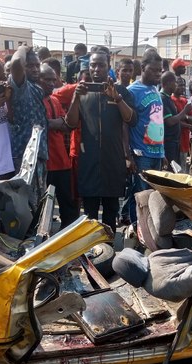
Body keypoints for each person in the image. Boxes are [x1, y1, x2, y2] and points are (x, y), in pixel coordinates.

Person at [66, 50, 136, 232]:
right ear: (88, 67)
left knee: (111, 213)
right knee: (89, 215)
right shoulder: (82, 92)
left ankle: (109, 252)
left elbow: (131, 119)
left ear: (109, 67)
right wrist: (75, 97)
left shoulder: (120, 92)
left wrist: (117, 98)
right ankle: (92, 252)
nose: (96, 69)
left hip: (113, 162)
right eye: (93, 65)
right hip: (88, 162)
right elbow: (71, 123)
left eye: (101, 65)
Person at [126, 48, 165, 223]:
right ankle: (137, 229)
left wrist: (162, 153)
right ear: (142, 67)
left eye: (160, 71)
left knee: (153, 197)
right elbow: (125, 125)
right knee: (141, 197)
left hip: (156, 152)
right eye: (154, 70)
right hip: (141, 154)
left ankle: (147, 230)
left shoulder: (156, 90)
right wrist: (128, 156)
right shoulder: (132, 91)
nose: (158, 74)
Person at [39, 63, 79, 228]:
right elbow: (40, 124)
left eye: (53, 80)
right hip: (43, 164)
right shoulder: (34, 101)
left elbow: (67, 124)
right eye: (46, 79)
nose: (50, 83)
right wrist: (54, 123)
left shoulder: (54, 100)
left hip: (61, 162)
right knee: (40, 207)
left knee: (68, 204)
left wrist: (52, 123)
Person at [8, 45, 49, 200]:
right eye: (29, 66)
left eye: (37, 65)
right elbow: (17, 62)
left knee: (39, 204)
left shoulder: (37, 88)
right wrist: (23, 48)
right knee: (26, 205)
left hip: (39, 156)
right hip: (24, 158)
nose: (35, 69)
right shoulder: (20, 87)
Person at [160, 71, 192, 171]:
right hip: (168, 143)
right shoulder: (163, 98)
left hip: (174, 142)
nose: (176, 85)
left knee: (175, 170)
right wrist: (185, 110)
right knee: (170, 171)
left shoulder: (168, 98)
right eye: (175, 83)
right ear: (169, 83)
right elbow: (170, 121)